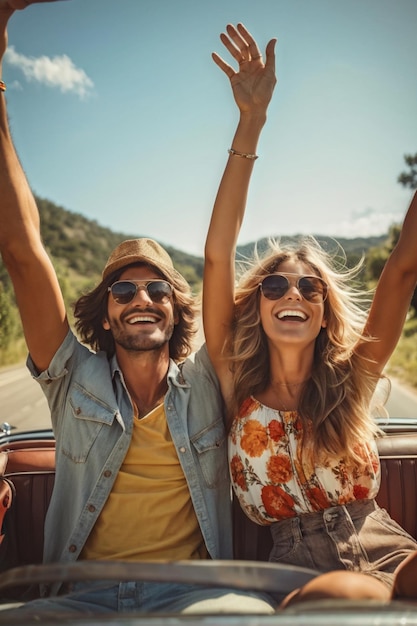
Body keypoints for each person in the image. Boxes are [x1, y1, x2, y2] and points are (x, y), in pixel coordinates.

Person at [0, 3, 278, 617]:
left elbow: (217, 255)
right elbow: (22, 250)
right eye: (123, 292)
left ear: (177, 312)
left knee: (255, 619)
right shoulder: (71, 376)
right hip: (78, 598)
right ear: (105, 315)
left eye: (156, 290)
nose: (142, 299)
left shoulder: (208, 381)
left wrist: (250, 123)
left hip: (195, 597)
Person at [203, 22, 417, 606]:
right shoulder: (236, 386)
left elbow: (401, 270)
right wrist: (252, 121)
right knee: (347, 601)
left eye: (309, 287)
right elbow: (218, 255)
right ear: (258, 305)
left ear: (324, 312)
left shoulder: (353, 379)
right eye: (274, 284)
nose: (290, 293)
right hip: (293, 578)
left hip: (389, 552)